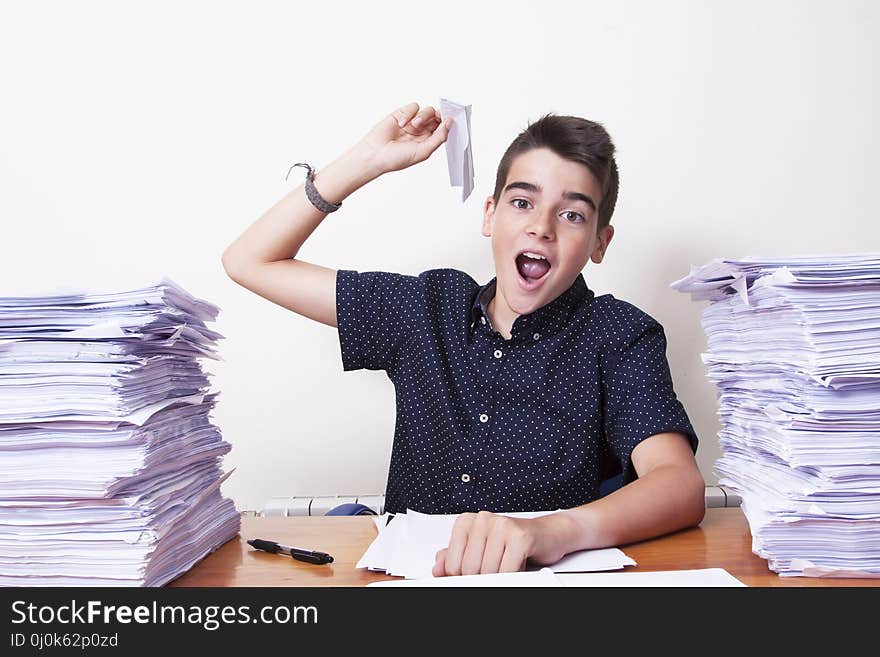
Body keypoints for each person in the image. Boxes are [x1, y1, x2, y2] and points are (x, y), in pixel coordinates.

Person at [221, 101, 705, 577]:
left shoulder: (619, 335)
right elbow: (250, 261)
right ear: (490, 215)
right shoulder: (426, 308)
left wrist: (553, 533)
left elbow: (678, 483)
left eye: (573, 215)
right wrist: (366, 160)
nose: (541, 226)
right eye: (522, 203)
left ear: (600, 241)